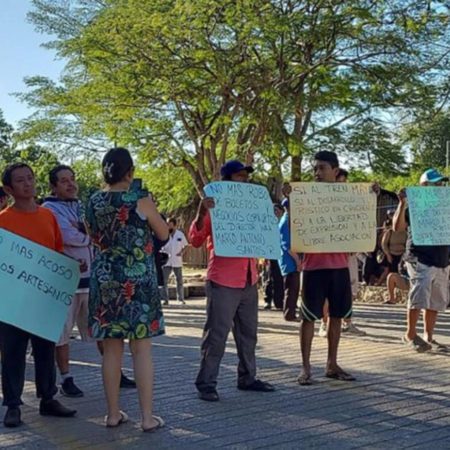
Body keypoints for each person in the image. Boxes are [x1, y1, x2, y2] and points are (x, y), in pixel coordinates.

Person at [86, 148, 168, 431]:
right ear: (130, 172)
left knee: (111, 351)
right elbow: (163, 233)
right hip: (139, 280)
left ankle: (112, 414)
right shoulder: (140, 199)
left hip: (106, 278)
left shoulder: (94, 200)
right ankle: (147, 418)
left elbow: (93, 235)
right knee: (142, 350)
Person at [43, 165, 136, 398]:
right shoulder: (48, 209)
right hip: (65, 282)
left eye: (72, 179)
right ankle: (66, 378)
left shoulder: (83, 206)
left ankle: (115, 371)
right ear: (53, 187)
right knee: (62, 333)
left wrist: (87, 231)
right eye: (64, 181)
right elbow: (70, 236)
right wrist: (89, 234)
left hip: (92, 281)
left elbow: (104, 231)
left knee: (102, 330)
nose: (71, 184)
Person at [189, 159, 275, 402]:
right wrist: (201, 212)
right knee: (217, 334)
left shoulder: (253, 206)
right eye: (240, 176)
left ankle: (247, 377)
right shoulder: (214, 206)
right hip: (223, 279)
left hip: (249, 279)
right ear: (227, 180)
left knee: (249, 334)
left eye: (246, 176)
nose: (245, 180)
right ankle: (206, 383)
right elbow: (195, 240)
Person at [0, 163, 76, 428]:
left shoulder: (48, 216)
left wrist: (70, 270)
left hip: (44, 300)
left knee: (45, 351)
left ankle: (48, 399)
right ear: (9, 189)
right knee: (12, 353)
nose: (27, 184)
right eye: (20, 181)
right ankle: (12, 405)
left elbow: (56, 254)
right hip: (12, 303)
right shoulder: (3, 221)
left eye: (30, 178)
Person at [298, 151, 356, 385]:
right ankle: (305, 368)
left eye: (322, 168)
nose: (317, 173)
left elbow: (358, 222)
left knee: (337, 316)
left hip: (340, 266)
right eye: (315, 168)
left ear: (335, 170)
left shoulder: (350, 197)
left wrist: (370, 195)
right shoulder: (306, 197)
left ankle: (332, 364)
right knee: (308, 317)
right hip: (313, 267)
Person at [393, 168, 450, 353]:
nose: (439, 186)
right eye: (435, 183)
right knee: (419, 296)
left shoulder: (445, 206)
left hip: (442, 259)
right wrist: (402, 204)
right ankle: (410, 334)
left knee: (435, 300)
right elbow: (397, 227)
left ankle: (428, 336)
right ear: (424, 186)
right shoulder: (414, 205)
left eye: (441, 183)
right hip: (420, 257)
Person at [318, 168, 366, 337]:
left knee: (349, 290)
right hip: (328, 257)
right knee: (327, 293)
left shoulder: (351, 203)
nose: (343, 186)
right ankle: (324, 323)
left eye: (345, 182)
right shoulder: (321, 202)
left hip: (349, 256)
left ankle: (348, 322)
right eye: (340, 182)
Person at [278, 198, 301, 321]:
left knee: (294, 288)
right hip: (289, 262)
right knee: (291, 289)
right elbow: (287, 246)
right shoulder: (285, 222)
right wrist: (298, 261)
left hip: (290, 261)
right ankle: (289, 314)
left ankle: (291, 312)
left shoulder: (290, 221)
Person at [161, 217, 189, 305]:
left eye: (170, 224)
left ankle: (180, 299)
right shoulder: (164, 234)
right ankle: (165, 300)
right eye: (167, 224)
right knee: (164, 281)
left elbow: (186, 245)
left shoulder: (180, 234)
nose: (168, 226)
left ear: (174, 225)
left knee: (179, 280)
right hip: (166, 260)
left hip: (177, 260)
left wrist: (182, 253)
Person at [263, 203, 285, 310]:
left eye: (277, 210)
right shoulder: (268, 223)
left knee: (280, 278)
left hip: (283, 254)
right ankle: (268, 300)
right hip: (271, 254)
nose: (275, 212)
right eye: (273, 210)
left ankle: (279, 302)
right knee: (270, 277)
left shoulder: (284, 223)